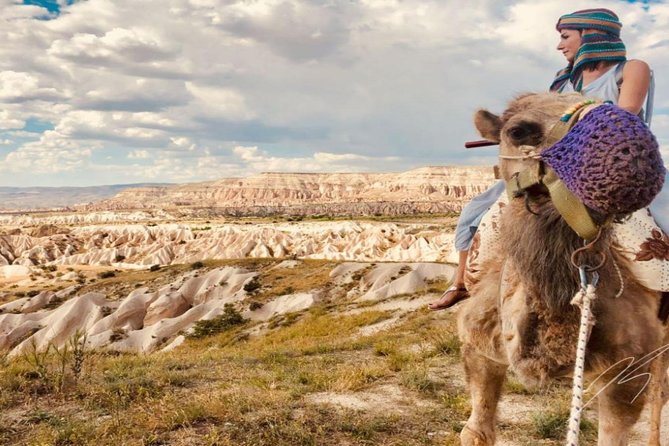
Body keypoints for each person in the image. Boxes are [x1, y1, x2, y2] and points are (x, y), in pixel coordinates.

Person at [429, 8, 656, 311]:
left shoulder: (630, 69)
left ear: (591, 35)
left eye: (565, 37)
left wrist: (566, 124)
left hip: (616, 163)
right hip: (559, 166)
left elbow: (625, 113)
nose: (560, 46)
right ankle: (461, 282)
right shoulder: (562, 83)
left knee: (662, 210)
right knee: (479, 209)